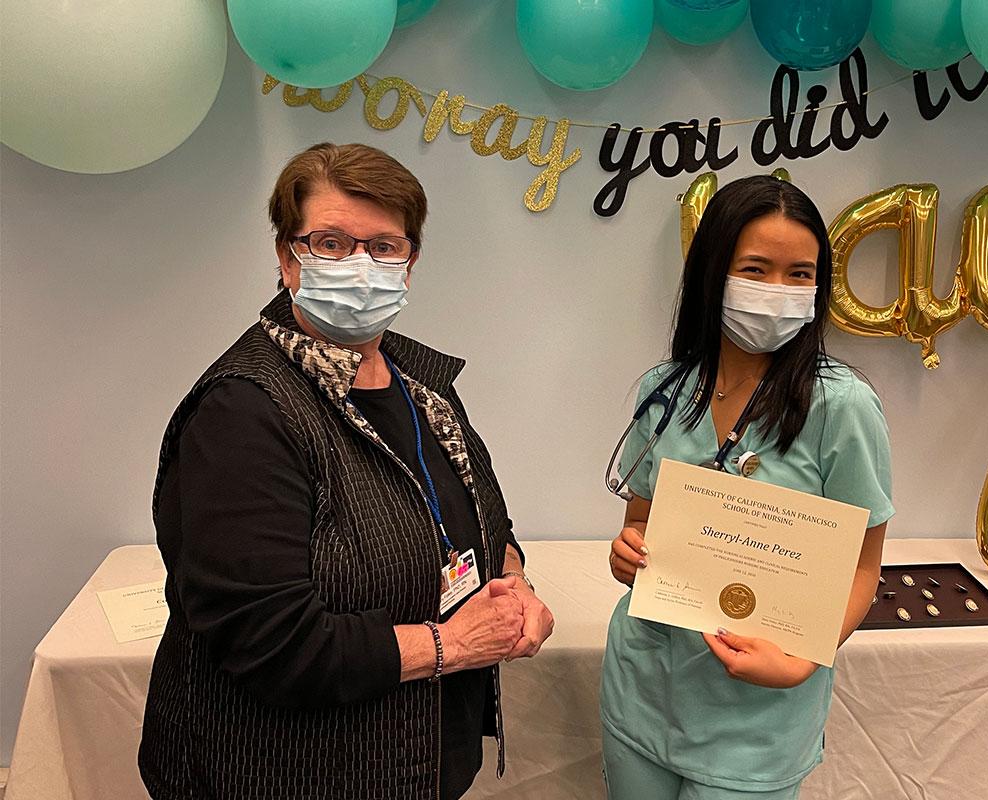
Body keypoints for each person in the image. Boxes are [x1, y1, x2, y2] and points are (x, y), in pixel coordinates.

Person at [139, 142, 553, 800]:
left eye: (384, 246)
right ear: (287, 257)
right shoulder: (243, 411)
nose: (361, 266)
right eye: (331, 243)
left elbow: (483, 519)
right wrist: (452, 646)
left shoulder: (425, 386)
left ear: (411, 261)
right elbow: (272, 645)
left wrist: (513, 582)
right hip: (288, 773)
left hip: (415, 759)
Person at [600, 175, 894, 799]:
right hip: (644, 685)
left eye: (800, 275)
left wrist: (801, 661)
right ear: (712, 273)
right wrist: (627, 553)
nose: (777, 293)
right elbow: (639, 527)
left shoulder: (842, 407)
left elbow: (863, 567)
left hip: (755, 717)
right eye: (756, 269)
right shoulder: (668, 390)